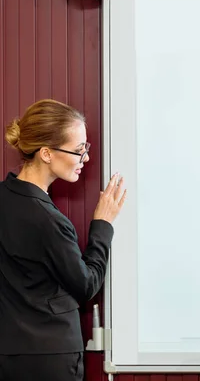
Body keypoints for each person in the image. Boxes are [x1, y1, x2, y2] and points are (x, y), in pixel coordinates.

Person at [0, 99, 126, 381]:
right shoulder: (47, 220)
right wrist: (102, 226)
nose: (86, 159)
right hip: (49, 359)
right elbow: (86, 285)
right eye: (79, 151)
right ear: (46, 153)